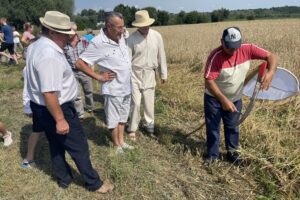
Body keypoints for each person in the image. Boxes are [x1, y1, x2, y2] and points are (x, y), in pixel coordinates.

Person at [24, 10, 113, 192]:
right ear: (52, 32)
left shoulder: (36, 46)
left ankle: (63, 178)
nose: (68, 38)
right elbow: (49, 92)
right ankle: (94, 183)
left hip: (42, 107)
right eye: (65, 34)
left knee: (56, 143)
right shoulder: (49, 55)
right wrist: (60, 119)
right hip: (56, 107)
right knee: (78, 145)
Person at [204, 27, 277, 164]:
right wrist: (223, 100)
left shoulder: (248, 48)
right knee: (213, 128)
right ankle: (212, 156)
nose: (233, 51)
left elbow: (271, 56)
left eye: (236, 47)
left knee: (233, 127)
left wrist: (271, 72)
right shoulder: (215, 57)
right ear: (222, 42)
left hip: (235, 98)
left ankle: (233, 154)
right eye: (229, 47)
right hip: (214, 98)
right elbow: (209, 81)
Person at [76, 11, 134, 154]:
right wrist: (98, 76)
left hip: (127, 86)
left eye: (123, 26)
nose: (123, 30)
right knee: (114, 118)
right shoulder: (98, 43)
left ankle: (121, 141)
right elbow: (79, 63)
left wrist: (122, 30)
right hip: (113, 88)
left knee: (122, 116)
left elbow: (124, 34)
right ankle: (116, 145)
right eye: (119, 27)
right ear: (109, 26)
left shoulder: (121, 35)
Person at [127, 10, 168, 141]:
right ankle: (132, 128)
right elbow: (127, 60)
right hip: (135, 74)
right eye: (142, 25)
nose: (145, 27)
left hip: (150, 73)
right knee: (135, 102)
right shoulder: (131, 39)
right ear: (137, 25)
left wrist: (163, 73)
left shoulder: (157, 36)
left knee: (149, 102)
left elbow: (161, 55)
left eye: (146, 24)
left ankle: (149, 126)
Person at [64, 23, 94, 118]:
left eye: (71, 31)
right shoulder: (64, 44)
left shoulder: (84, 41)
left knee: (88, 91)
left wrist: (90, 67)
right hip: (72, 72)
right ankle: (80, 114)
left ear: (75, 31)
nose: (68, 34)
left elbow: (91, 54)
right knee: (76, 95)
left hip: (85, 70)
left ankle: (90, 108)